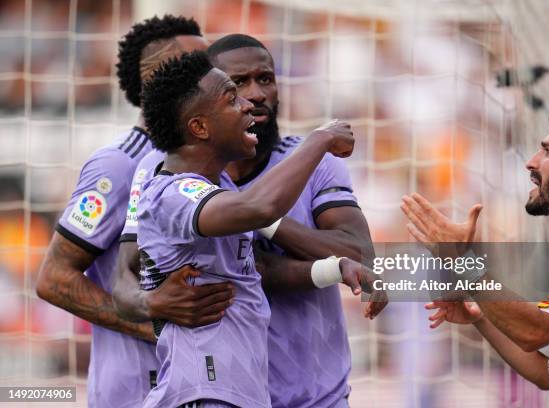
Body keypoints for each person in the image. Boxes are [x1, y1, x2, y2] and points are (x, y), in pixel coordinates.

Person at [112, 34, 386, 408]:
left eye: (265, 79)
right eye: (235, 89)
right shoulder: (168, 183)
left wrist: (335, 268)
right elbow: (126, 277)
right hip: (208, 391)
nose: (252, 98)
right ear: (199, 124)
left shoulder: (303, 171)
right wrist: (153, 303)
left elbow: (254, 268)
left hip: (305, 395)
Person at [35, 15, 230, 408]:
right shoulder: (119, 166)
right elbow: (53, 279)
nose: (213, 75)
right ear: (160, 79)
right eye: (197, 66)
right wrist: (155, 325)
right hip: (134, 391)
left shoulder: (208, 164)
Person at [403, 107, 549, 407]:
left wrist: (462, 261)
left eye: (547, 152)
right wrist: (481, 316)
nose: (531, 162)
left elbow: (536, 330)